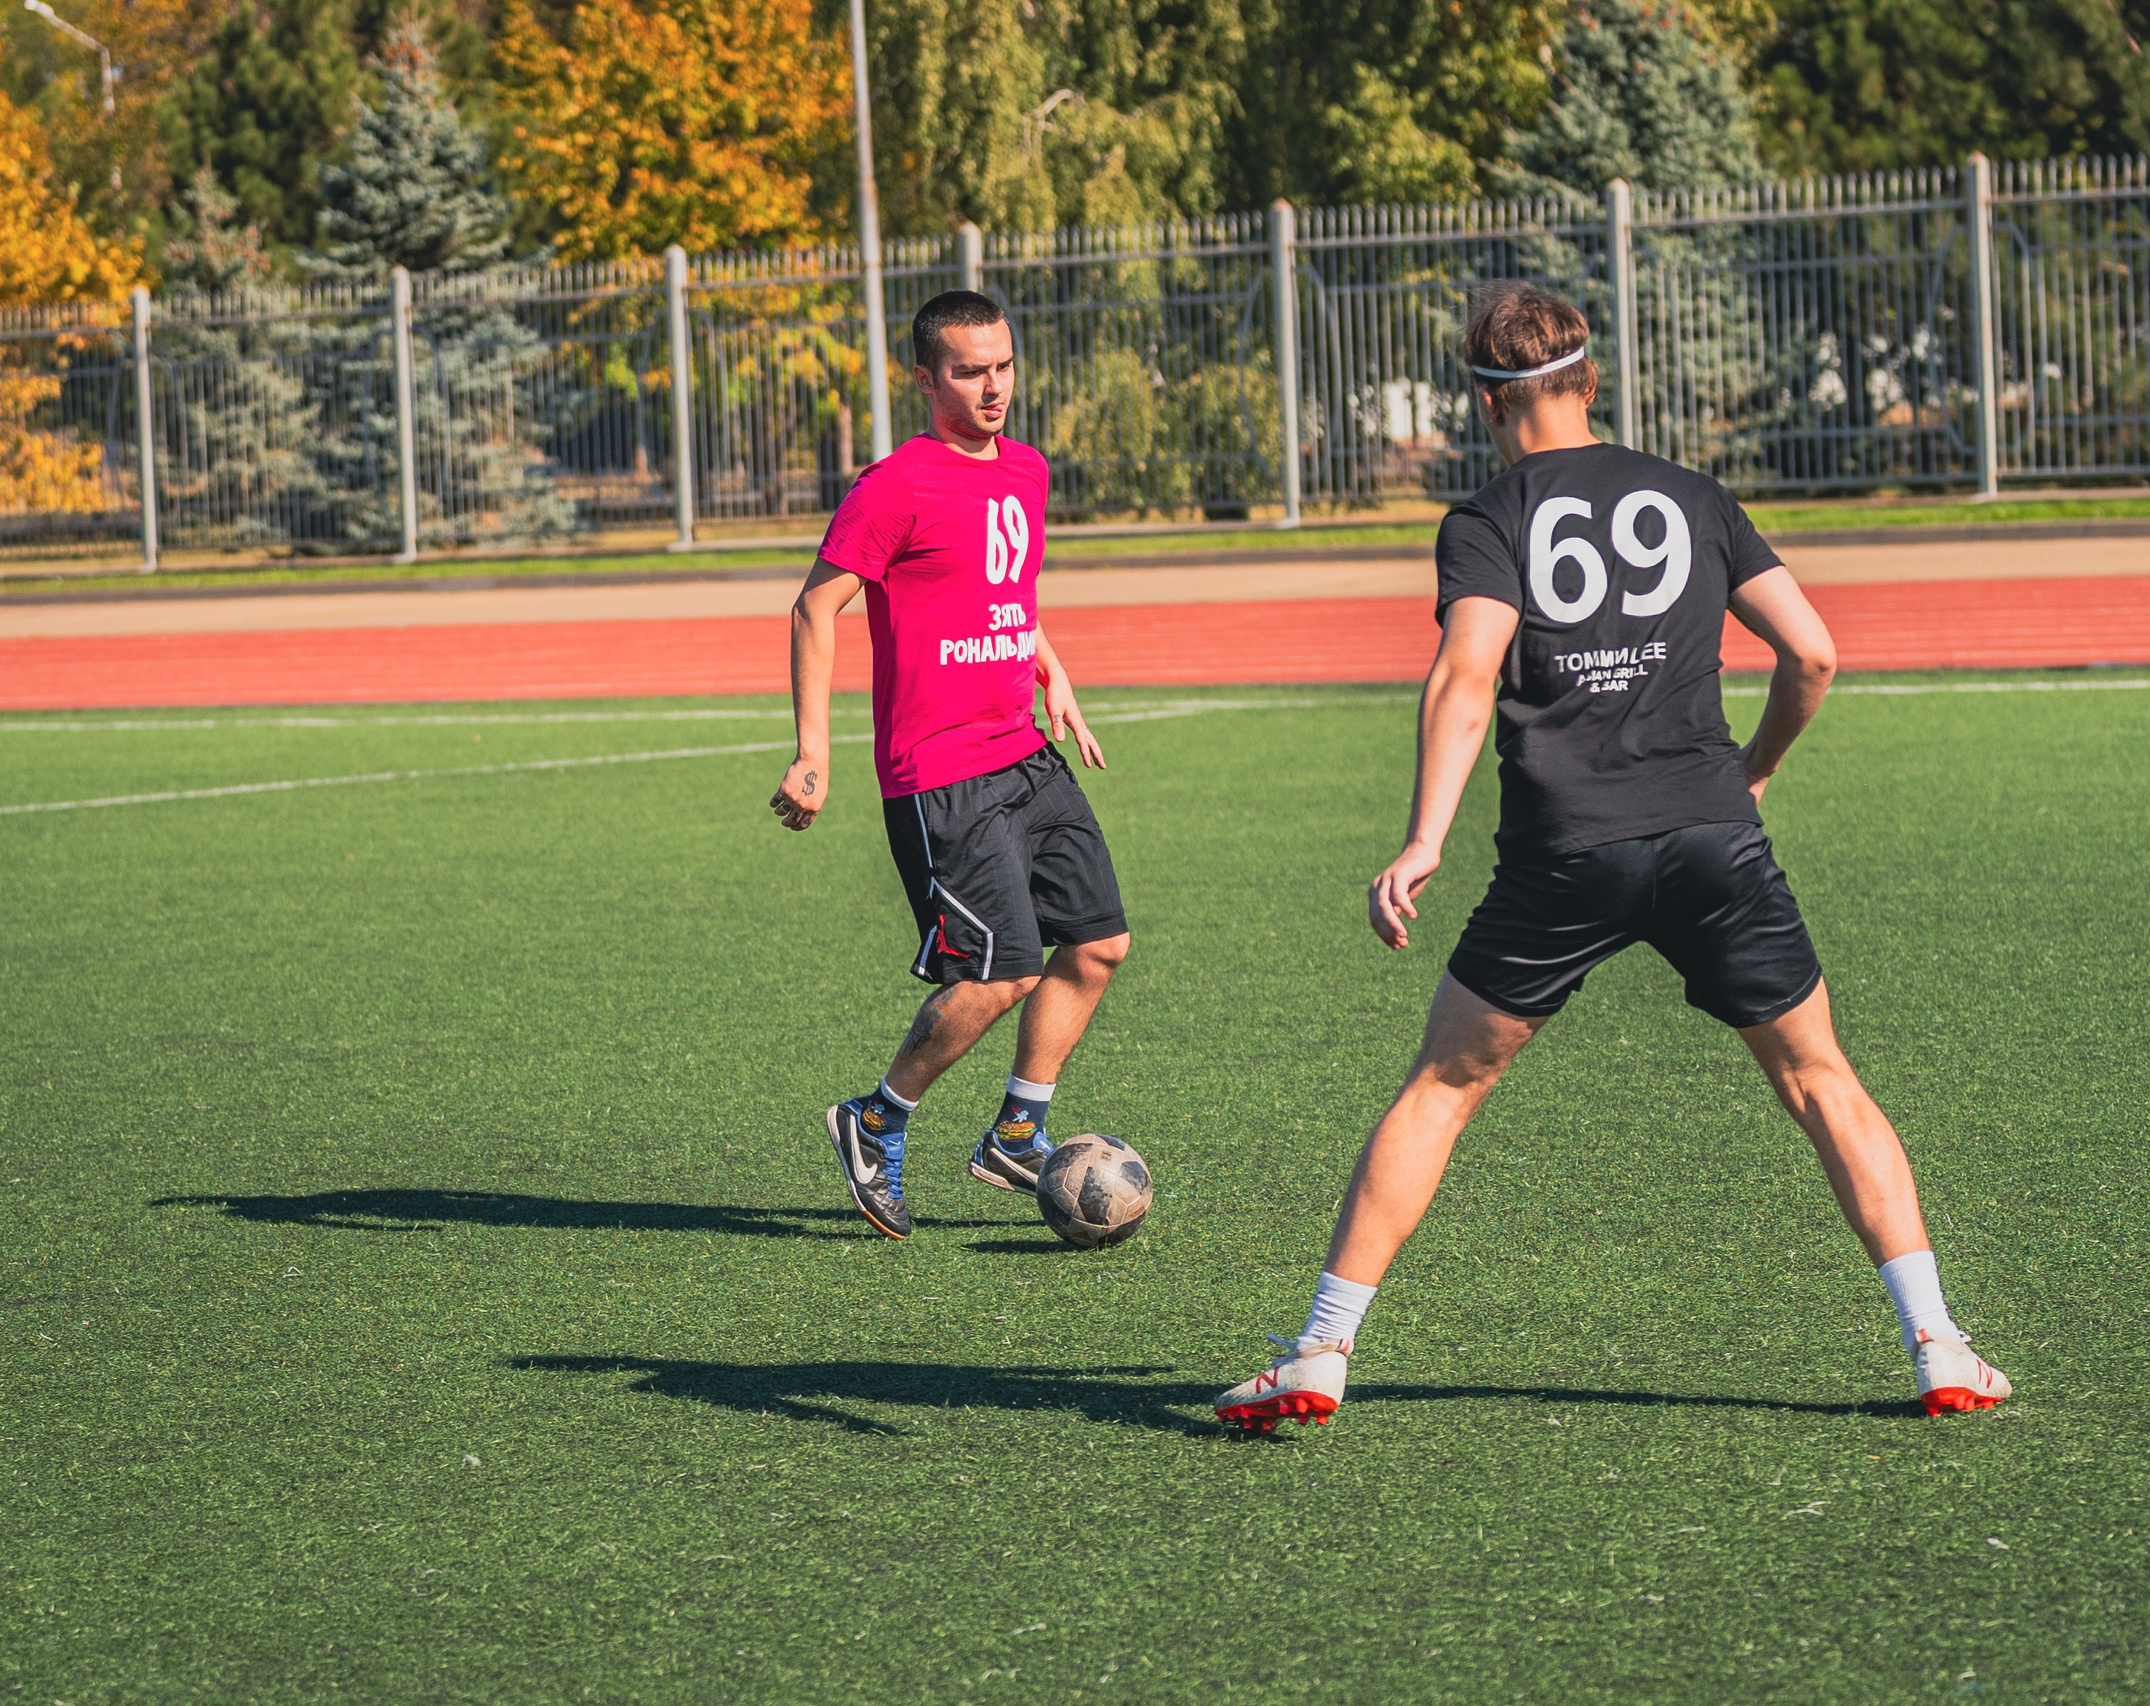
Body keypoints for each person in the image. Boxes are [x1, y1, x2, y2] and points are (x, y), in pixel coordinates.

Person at [1214, 283, 2011, 1428]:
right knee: (1819, 1078)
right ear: (1592, 382)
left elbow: (1466, 674)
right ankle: (1937, 1339)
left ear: (1486, 402)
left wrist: (1424, 836)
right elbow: (1815, 654)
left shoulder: (1486, 518)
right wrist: (1755, 766)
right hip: (1708, 834)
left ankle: (1322, 1350)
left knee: (1443, 1086)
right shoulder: (1692, 496)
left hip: (1562, 852)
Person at [770, 290, 1130, 1242]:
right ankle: (876, 1117)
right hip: (941, 775)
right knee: (1001, 971)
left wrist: (1052, 670)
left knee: (1096, 943)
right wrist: (814, 752)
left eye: (1003, 365)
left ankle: (1019, 1129)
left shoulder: (1026, 470)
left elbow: (1006, 588)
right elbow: (814, 610)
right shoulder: (897, 484)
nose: (993, 386)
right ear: (926, 379)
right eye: (969, 371)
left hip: (1026, 750)